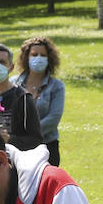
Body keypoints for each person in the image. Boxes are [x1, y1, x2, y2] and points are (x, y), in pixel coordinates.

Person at [13, 36, 65, 167]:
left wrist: (30, 135)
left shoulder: (56, 86)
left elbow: (54, 118)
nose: (38, 58)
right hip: (17, 148)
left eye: (43, 55)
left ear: (49, 59)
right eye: (34, 55)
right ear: (26, 57)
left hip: (47, 147)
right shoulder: (13, 83)